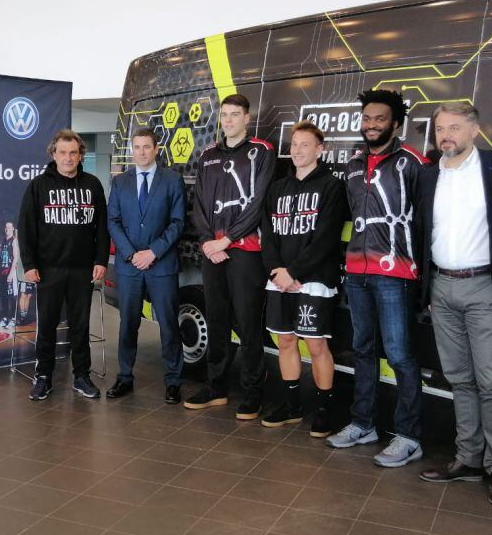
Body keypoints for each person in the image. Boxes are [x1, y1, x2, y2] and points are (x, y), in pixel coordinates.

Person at [415, 103, 492, 505]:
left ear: (474, 130)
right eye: (440, 128)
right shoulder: (428, 175)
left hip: (485, 289)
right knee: (460, 380)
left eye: (454, 128)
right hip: (442, 289)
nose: (446, 135)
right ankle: (468, 459)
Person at [326, 89, 427, 468]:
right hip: (357, 272)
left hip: (396, 274)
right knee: (363, 350)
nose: (371, 125)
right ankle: (363, 423)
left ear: (396, 124)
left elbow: (426, 220)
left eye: (379, 119)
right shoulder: (353, 166)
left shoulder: (414, 162)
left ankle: (409, 435)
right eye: (366, 119)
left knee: (400, 355)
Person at [184, 93, 274, 419]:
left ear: (247, 118)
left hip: (246, 251)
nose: (229, 120)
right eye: (225, 115)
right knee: (217, 320)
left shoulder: (261, 152)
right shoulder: (207, 155)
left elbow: (258, 203)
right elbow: (200, 205)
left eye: (235, 114)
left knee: (249, 324)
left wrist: (228, 240)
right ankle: (217, 387)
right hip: (213, 251)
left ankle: (253, 392)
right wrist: (209, 241)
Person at [260, 121, 348, 435]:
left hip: (313, 279)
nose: (297, 150)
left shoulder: (331, 186)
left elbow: (325, 238)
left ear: (320, 149)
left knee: (316, 346)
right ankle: (292, 405)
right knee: (285, 341)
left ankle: (325, 408)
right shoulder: (277, 188)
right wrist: (277, 271)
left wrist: (294, 273)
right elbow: (267, 235)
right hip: (280, 279)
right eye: (294, 145)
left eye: (305, 145)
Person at [18, 128, 109, 401]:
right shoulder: (38, 185)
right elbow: (26, 228)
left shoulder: (93, 184)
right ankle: (43, 376)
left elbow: (102, 228)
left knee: (80, 325)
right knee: (46, 325)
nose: (68, 158)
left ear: (81, 155)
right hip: (49, 269)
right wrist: (30, 263)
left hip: (82, 269)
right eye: (63, 152)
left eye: (73, 153)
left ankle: (81, 375)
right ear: (53, 154)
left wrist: (101, 260)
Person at [107, 127, 186, 403]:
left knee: (168, 324)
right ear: (132, 149)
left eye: (146, 147)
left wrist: (152, 252)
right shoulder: (120, 182)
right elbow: (113, 222)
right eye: (136, 147)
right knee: (128, 323)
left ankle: (174, 381)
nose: (141, 152)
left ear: (156, 149)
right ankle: (125, 377)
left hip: (161, 265)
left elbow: (178, 223)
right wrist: (131, 254)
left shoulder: (172, 180)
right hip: (129, 267)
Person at [0, 220, 20, 328]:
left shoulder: (14, 241)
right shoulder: (3, 241)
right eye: (5, 227)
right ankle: (4, 318)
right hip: (2, 271)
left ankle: (14, 318)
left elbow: (16, 258)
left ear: (13, 229)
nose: (7, 229)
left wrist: (11, 273)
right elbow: (0, 258)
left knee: (12, 296)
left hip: (11, 272)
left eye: (9, 227)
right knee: (4, 296)